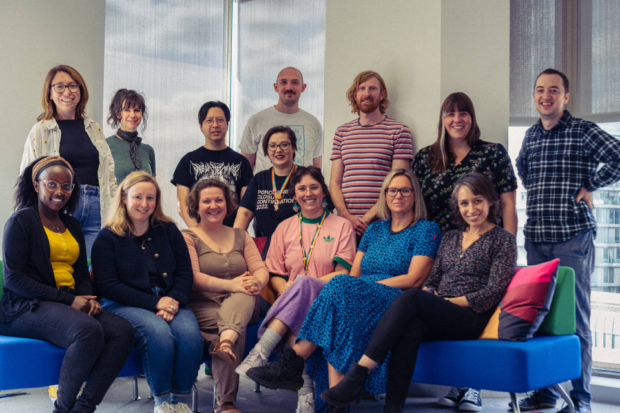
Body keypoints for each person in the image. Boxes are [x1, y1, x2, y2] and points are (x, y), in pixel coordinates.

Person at [319, 172, 517, 413]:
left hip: (472, 317)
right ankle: (393, 408)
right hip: (442, 312)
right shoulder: (451, 237)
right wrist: (432, 294)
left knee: (411, 296)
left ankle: (357, 375)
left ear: (490, 201)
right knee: (410, 325)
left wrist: (442, 300)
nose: (471, 209)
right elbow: (432, 280)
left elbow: (492, 293)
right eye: (464, 203)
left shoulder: (503, 240)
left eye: (477, 201)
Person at [247, 169, 442, 413]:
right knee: (339, 301)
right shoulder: (374, 230)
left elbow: (414, 279)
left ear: (415, 195)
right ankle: (335, 402)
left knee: (338, 285)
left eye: (405, 190)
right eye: (392, 190)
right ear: (384, 195)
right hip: (359, 292)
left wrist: (365, 288)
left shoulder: (426, 229)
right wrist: (358, 288)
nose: (398, 195)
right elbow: (355, 274)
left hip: (396, 298)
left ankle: (293, 360)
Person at [513, 69, 620, 413]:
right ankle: (547, 393)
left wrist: (590, 185)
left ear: (566, 97)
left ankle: (581, 398)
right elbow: (523, 168)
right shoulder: (530, 135)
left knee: (576, 320)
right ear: (534, 95)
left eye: (554, 90)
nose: (546, 96)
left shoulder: (582, 130)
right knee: (541, 319)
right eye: (540, 90)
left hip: (573, 237)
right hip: (536, 241)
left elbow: (617, 156)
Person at [0, 156, 134, 413]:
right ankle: (62, 409)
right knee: (88, 330)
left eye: (66, 186)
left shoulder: (72, 224)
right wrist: (70, 301)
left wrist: (86, 296)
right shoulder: (21, 221)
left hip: (67, 301)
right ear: (36, 185)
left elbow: (82, 271)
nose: (59, 191)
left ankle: (83, 408)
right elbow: (14, 279)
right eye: (51, 184)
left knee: (122, 330)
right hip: (25, 306)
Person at [412, 91, 518, 410]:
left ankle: (472, 386)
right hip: (438, 248)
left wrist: (504, 245)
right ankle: (458, 385)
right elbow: (414, 205)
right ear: (442, 120)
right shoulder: (425, 157)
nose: (457, 119)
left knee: (473, 310)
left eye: (463, 113)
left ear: (472, 117)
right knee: (441, 312)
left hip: (484, 245)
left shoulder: (492, 153)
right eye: (450, 114)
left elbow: (509, 203)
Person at [235, 166, 356, 413]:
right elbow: (276, 274)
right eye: (301, 188)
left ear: (323, 191)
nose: (308, 193)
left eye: (314, 187)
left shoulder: (342, 226)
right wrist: (286, 288)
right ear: (294, 193)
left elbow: (342, 274)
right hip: (291, 298)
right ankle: (305, 390)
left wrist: (302, 285)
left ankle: (263, 353)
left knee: (302, 287)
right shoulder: (285, 227)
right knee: (298, 301)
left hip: (331, 297)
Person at [92, 171, 203, 413]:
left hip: (170, 299)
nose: (144, 204)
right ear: (123, 197)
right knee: (158, 333)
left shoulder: (169, 229)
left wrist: (172, 301)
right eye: (138, 197)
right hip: (122, 303)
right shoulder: (107, 237)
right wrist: (155, 303)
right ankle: (162, 402)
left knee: (190, 336)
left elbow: (185, 273)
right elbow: (108, 285)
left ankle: (180, 402)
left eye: (150, 198)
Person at [181, 178, 269, 413]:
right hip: (203, 304)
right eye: (206, 201)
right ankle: (225, 403)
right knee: (231, 326)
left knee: (246, 293)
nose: (213, 205)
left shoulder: (241, 235)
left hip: (243, 302)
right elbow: (194, 278)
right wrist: (233, 284)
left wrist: (256, 282)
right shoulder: (187, 237)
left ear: (227, 204)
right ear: (196, 206)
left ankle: (226, 342)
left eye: (219, 200)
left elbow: (260, 270)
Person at [20, 65, 117, 258]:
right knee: (61, 264)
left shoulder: (94, 128)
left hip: (98, 207)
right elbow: (28, 178)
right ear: (50, 93)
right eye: (60, 86)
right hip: (60, 205)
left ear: (81, 91)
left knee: (93, 267)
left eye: (73, 86)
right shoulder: (41, 130)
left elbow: (109, 173)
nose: (67, 92)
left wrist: (115, 209)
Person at [329, 71, 414, 238]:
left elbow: (398, 184)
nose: (367, 94)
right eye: (362, 89)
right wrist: (346, 215)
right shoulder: (342, 132)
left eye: (373, 88)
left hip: (383, 223)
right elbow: (334, 182)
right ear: (355, 95)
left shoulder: (399, 131)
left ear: (382, 95)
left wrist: (367, 218)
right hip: (346, 225)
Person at [172, 101, 253, 228]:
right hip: (199, 235)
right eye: (209, 121)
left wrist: (236, 236)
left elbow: (246, 206)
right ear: (201, 126)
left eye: (220, 120)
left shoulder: (241, 162)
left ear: (227, 125)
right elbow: (182, 205)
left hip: (233, 234)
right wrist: (198, 234)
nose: (215, 125)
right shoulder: (188, 161)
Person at [239, 67, 323, 173]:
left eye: (295, 82)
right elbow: (246, 169)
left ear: (303, 87)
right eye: (283, 82)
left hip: (302, 189)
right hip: (266, 189)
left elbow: (317, 169)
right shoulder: (257, 121)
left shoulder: (313, 123)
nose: (289, 87)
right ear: (276, 87)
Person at [234, 126, 300, 259]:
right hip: (265, 249)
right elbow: (244, 214)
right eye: (272, 146)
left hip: (299, 247)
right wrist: (235, 246)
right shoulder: (258, 180)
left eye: (284, 145)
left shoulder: (305, 177)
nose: (278, 150)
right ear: (266, 151)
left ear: (293, 148)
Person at [106, 88, 156, 183]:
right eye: (127, 110)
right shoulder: (106, 145)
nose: (132, 115)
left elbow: (153, 188)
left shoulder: (148, 150)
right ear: (117, 113)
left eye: (137, 110)